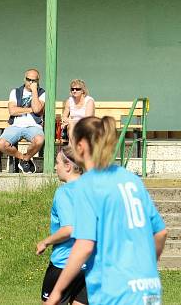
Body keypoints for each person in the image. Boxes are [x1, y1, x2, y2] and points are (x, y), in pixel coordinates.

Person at [45, 116, 168, 305]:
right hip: (147, 289)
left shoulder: (89, 185)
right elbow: (160, 232)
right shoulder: (131, 180)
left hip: (114, 290)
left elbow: (84, 246)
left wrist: (57, 292)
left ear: (81, 146)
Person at [36, 146, 87, 305]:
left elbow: (69, 229)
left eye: (57, 163)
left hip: (64, 264)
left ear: (68, 166)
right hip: (89, 265)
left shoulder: (64, 193)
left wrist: (45, 241)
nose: (55, 167)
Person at [0, 68, 45, 174]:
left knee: (39, 140)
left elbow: (37, 109)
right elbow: (12, 111)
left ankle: (26, 159)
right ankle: (24, 158)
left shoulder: (42, 93)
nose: (31, 82)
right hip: (16, 126)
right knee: (1, 144)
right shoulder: (15, 92)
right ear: (24, 79)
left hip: (34, 126)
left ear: (38, 81)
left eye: (34, 80)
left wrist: (34, 91)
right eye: (29, 79)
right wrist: (30, 110)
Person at [61, 79, 95, 143]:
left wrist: (72, 121)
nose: (74, 91)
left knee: (73, 126)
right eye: (72, 89)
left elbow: (87, 119)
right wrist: (70, 121)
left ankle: (72, 148)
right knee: (72, 126)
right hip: (72, 126)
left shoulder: (89, 101)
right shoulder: (69, 101)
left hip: (86, 126)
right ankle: (72, 148)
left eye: (77, 89)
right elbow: (64, 117)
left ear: (83, 90)